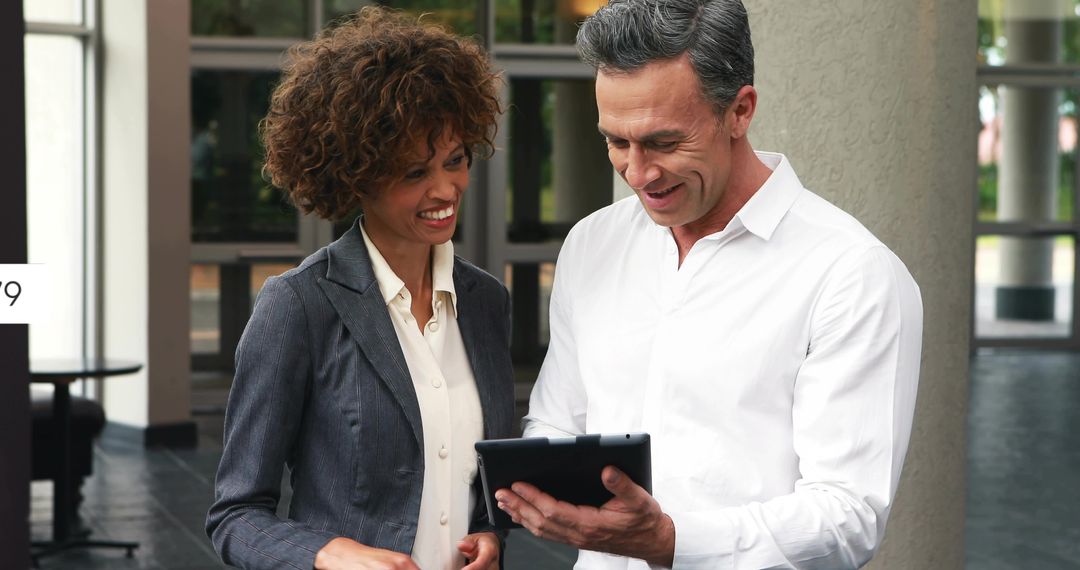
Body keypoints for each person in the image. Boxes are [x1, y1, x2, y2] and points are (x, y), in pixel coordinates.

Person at [495, 0, 924, 568]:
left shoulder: (852, 273)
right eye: (617, 142)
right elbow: (557, 422)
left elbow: (848, 515)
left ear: (740, 111)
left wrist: (669, 541)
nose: (638, 173)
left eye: (665, 143)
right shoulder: (592, 243)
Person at [205, 8, 513, 570]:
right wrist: (329, 553)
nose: (445, 188)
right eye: (414, 173)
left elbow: (485, 481)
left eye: (455, 160)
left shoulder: (487, 302)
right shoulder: (298, 305)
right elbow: (235, 515)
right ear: (357, 174)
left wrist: (491, 535)